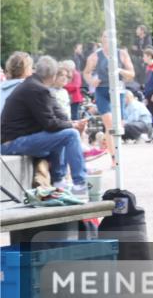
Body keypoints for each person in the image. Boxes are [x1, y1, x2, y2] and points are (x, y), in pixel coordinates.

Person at [1, 56, 90, 192]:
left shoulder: (32, 85)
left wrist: (72, 123)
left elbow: (56, 118)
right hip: (11, 144)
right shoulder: (37, 89)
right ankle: (80, 183)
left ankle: (59, 181)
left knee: (62, 133)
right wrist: (73, 126)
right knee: (70, 135)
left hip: (12, 140)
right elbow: (50, 124)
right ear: (53, 76)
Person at [83, 31, 136, 165]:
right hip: (102, 91)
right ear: (102, 40)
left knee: (119, 125)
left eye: (110, 37)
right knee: (110, 124)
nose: (108, 40)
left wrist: (120, 70)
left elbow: (132, 74)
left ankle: (107, 143)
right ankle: (114, 158)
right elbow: (86, 73)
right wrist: (91, 81)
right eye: (105, 37)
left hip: (118, 91)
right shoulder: (95, 56)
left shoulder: (122, 54)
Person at [1, 52, 33, 117]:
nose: (32, 71)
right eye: (30, 67)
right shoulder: (27, 88)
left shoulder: (1, 85)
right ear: (26, 69)